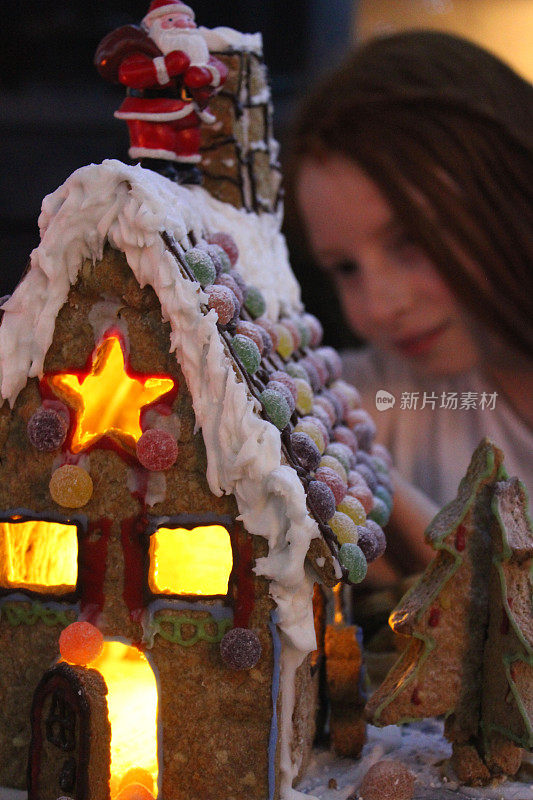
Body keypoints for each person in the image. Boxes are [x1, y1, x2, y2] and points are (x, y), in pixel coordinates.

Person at [287, 30, 533, 584]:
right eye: (345, 268)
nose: (381, 306)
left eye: (412, 239)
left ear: (512, 190)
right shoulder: (370, 400)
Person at [95, 0, 228, 182]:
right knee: (157, 141)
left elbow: (221, 69)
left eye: (188, 19)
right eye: (172, 20)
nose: (184, 24)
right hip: (153, 111)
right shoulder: (142, 50)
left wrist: (207, 74)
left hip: (190, 112)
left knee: (188, 142)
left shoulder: (200, 53)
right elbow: (129, 74)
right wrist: (166, 67)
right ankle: (158, 167)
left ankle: (186, 168)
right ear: (152, 26)